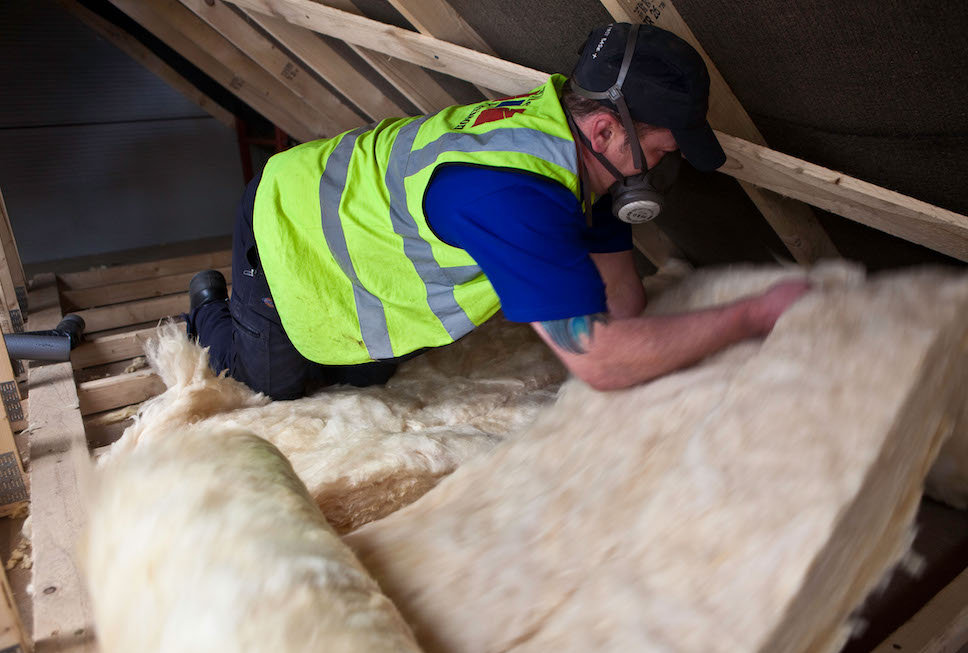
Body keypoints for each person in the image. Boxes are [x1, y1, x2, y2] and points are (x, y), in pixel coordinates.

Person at [187, 23, 809, 400]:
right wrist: (753, 314)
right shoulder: (517, 196)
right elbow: (600, 358)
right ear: (604, 128)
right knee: (265, 384)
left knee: (359, 379)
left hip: (358, 245)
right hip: (288, 230)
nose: (656, 170)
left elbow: (622, 303)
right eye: (656, 151)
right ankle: (208, 303)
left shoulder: (571, 156)